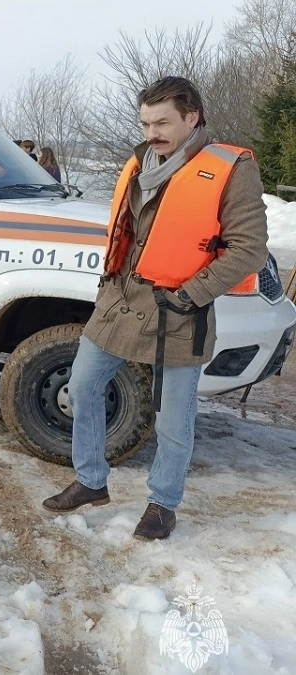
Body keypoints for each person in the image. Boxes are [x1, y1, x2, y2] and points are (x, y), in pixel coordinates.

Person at [42, 76, 269, 540]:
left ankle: (163, 503)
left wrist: (191, 294)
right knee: (83, 386)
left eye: (162, 123)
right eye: (145, 123)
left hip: (179, 309)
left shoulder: (231, 168)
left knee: (173, 417)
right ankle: (90, 480)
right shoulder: (140, 162)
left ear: (192, 117)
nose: (151, 133)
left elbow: (249, 249)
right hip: (120, 300)